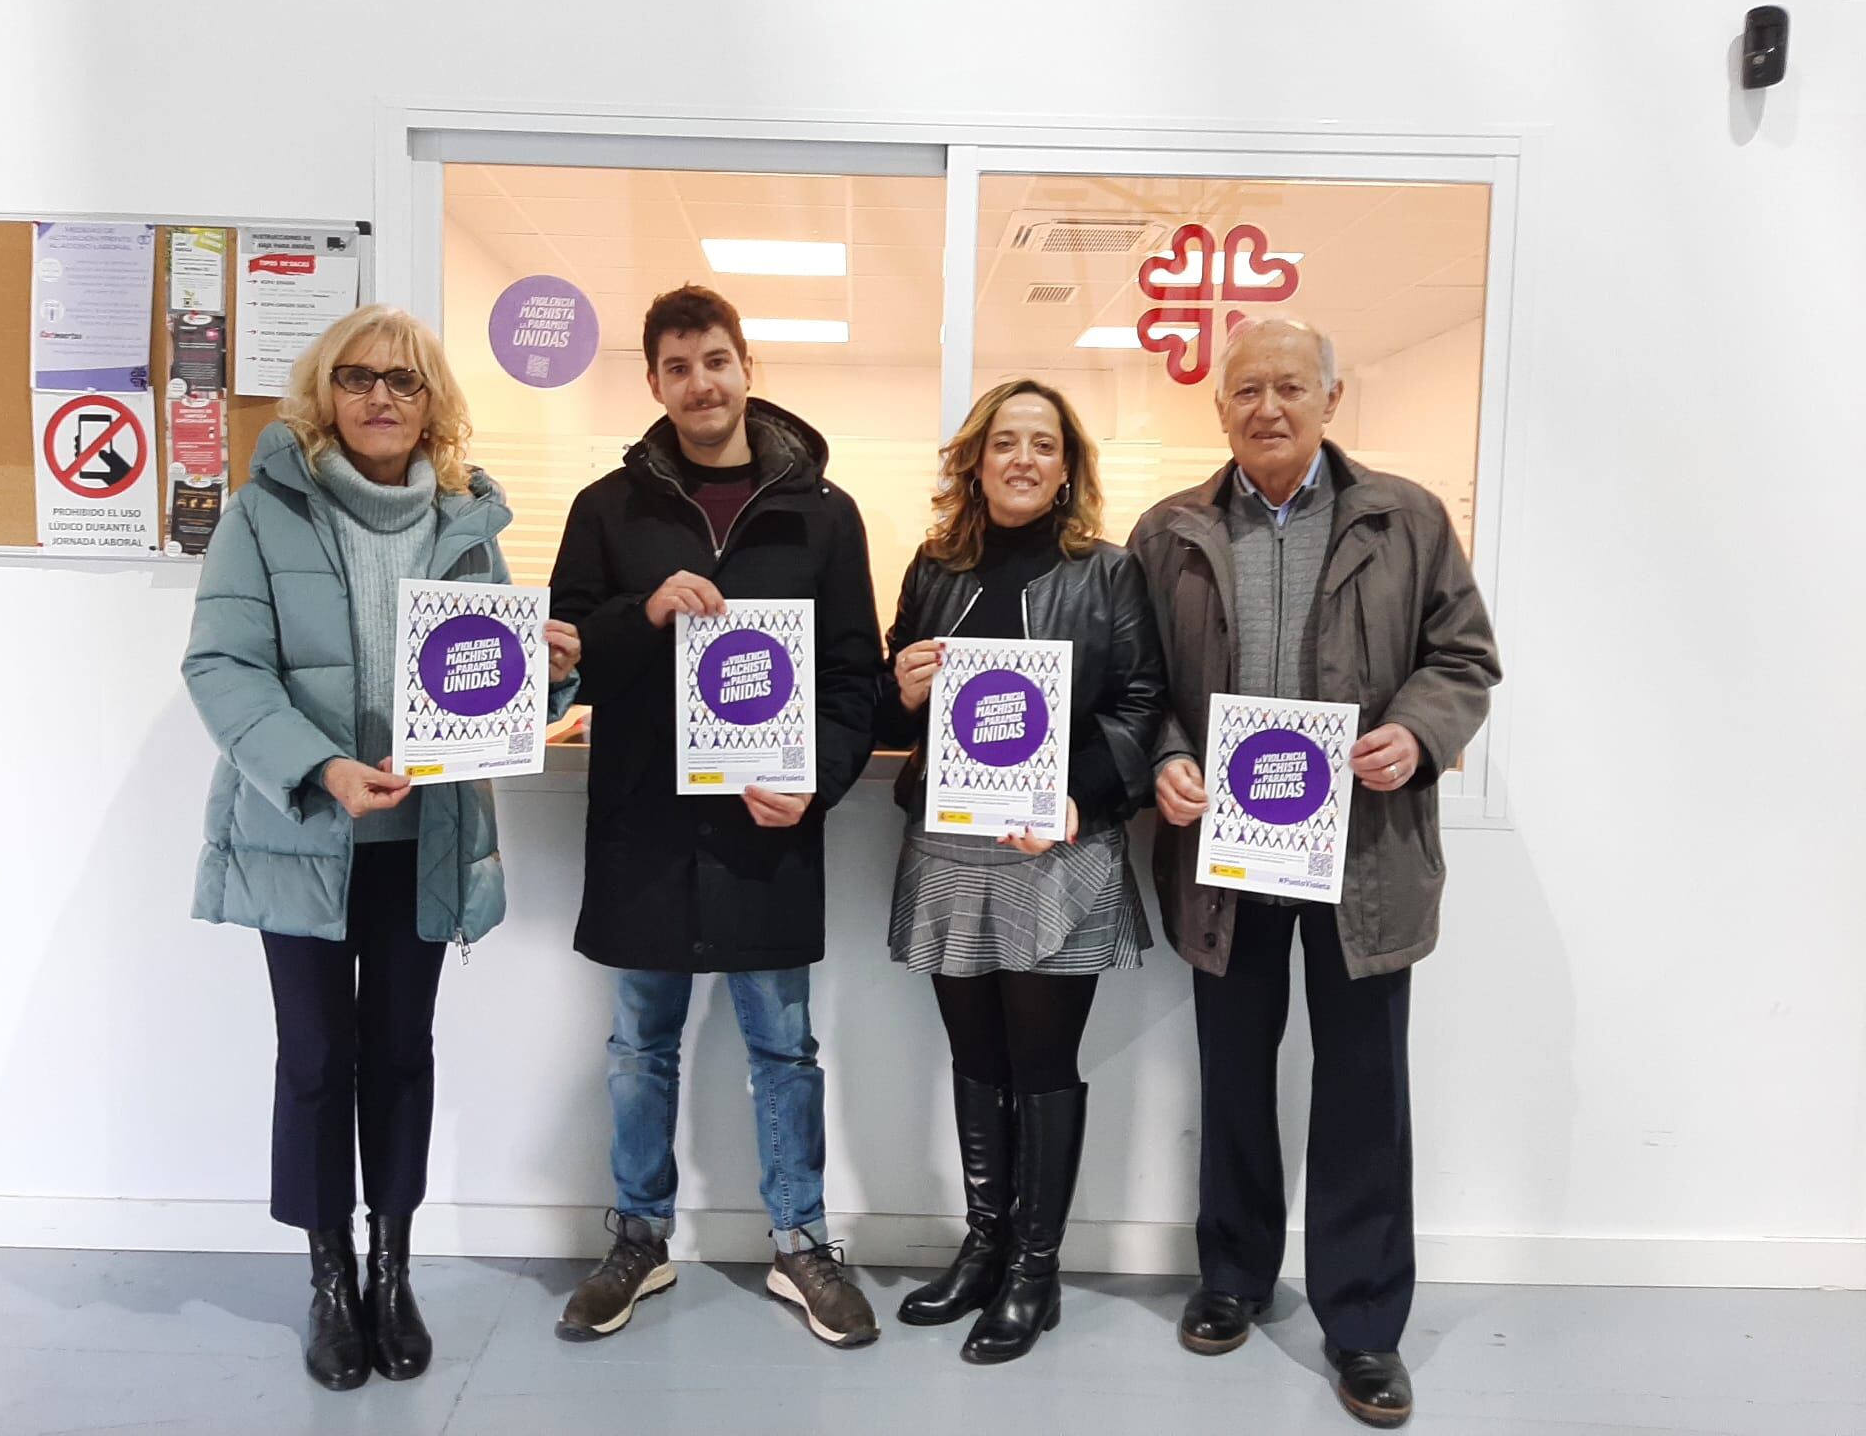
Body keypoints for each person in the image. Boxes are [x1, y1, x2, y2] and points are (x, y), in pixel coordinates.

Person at [182, 304, 579, 1392]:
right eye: (358, 378)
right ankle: (327, 1278)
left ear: (432, 404)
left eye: (404, 383)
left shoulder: (466, 519)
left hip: (427, 841)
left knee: (401, 1055)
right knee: (315, 1061)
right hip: (302, 833)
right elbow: (223, 668)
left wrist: (550, 669)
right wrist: (321, 767)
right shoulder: (261, 514)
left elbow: (490, 687)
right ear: (325, 392)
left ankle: (391, 1269)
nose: (381, 398)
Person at [1128, 317, 1501, 1429]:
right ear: (1220, 405)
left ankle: (1364, 1325)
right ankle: (1234, 1276)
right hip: (1225, 859)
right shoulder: (1171, 531)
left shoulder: (1407, 519)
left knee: (1362, 1093)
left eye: (1291, 386)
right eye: (1247, 389)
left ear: (1332, 399)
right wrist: (1166, 757)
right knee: (1234, 1078)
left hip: (1364, 857)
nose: (1268, 407)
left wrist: (1419, 733)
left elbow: (1465, 656)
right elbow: (1137, 683)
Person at [547, 284, 884, 1348]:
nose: (701, 383)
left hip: (765, 831)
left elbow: (853, 677)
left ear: (748, 368)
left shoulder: (822, 513)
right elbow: (562, 658)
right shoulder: (609, 509)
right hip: (647, 822)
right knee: (638, 1046)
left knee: (784, 1048)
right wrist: (641, 616)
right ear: (655, 383)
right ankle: (638, 1238)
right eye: (679, 366)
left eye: (717, 361)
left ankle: (800, 1243)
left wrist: (818, 781)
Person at [875, 379, 1164, 1363]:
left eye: (1045, 445)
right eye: (1007, 442)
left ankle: (1035, 1273)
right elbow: (892, 707)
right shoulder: (933, 567)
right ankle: (985, 1248)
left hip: (1059, 853)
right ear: (977, 458)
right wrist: (898, 687)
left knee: (1039, 1064)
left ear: (1067, 466)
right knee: (974, 1058)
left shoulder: (1108, 573)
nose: (1024, 459)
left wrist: (1079, 793)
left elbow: (1139, 703)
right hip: (952, 851)